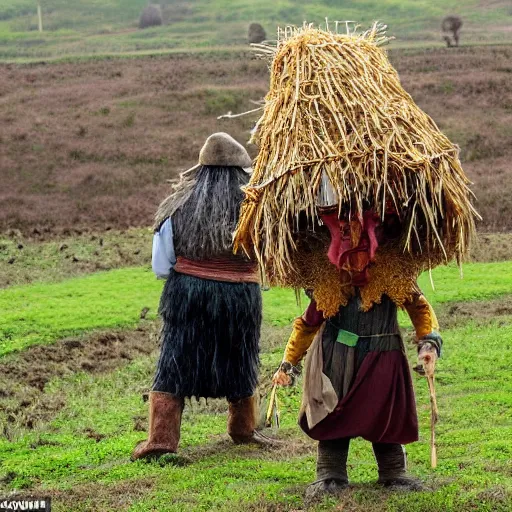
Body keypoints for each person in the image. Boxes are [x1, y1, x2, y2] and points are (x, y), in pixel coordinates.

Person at [132, 132, 272, 461]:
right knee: (240, 358)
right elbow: (270, 255)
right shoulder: (259, 207)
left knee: (175, 362)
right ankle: (243, 429)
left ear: (201, 167)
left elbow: (161, 265)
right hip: (241, 296)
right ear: (242, 171)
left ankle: (161, 440)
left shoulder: (177, 205)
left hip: (188, 293)